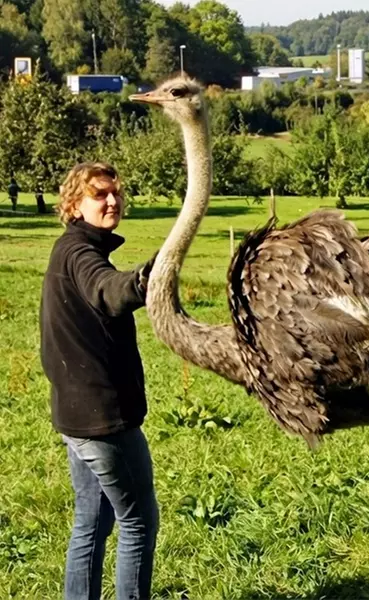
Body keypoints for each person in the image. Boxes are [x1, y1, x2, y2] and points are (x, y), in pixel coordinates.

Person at [39, 162, 159, 600]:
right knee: (138, 521)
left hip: (75, 416)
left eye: (116, 194)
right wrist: (153, 275)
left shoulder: (68, 249)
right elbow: (109, 291)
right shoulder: (78, 254)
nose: (112, 201)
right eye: (99, 195)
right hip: (102, 422)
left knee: (91, 522)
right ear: (74, 204)